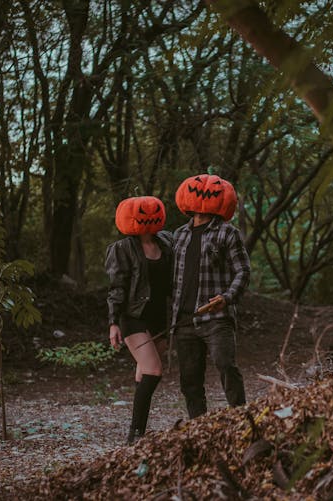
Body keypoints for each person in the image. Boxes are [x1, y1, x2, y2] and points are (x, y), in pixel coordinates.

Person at [171, 173, 251, 418]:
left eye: (213, 189)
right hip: (184, 319)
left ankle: (240, 417)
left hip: (216, 317)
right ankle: (199, 425)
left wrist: (227, 297)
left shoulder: (228, 233)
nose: (204, 191)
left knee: (226, 365)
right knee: (190, 380)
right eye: (197, 187)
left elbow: (243, 271)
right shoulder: (179, 235)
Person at [105, 196, 173, 444]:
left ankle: (137, 432)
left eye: (155, 210)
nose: (150, 214)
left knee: (143, 373)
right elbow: (116, 287)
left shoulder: (166, 242)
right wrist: (113, 322)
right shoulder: (122, 248)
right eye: (143, 212)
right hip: (133, 316)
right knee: (154, 371)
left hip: (159, 316)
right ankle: (135, 435)